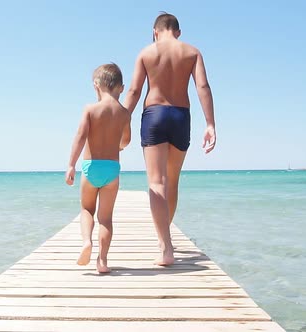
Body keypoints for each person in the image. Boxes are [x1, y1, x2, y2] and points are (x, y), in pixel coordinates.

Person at [121, 12, 216, 266]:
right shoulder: (192, 52)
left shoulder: (146, 53)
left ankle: (165, 246)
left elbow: (133, 90)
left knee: (156, 181)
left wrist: (121, 119)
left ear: (155, 30)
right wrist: (210, 123)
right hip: (180, 116)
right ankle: (165, 237)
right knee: (172, 181)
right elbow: (203, 87)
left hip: (154, 114)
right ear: (178, 32)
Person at [65, 63, 131, 273]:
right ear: (120, 87)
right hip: (112, 169)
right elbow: (126, 141)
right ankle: (102, 261)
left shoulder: (91, 109)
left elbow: (80, 137)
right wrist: (117, 145)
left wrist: (71, 165)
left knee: (87, 209)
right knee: (106, 218)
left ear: (96, 85)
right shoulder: (123, 113)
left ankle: (86, 242)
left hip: (90, 167)